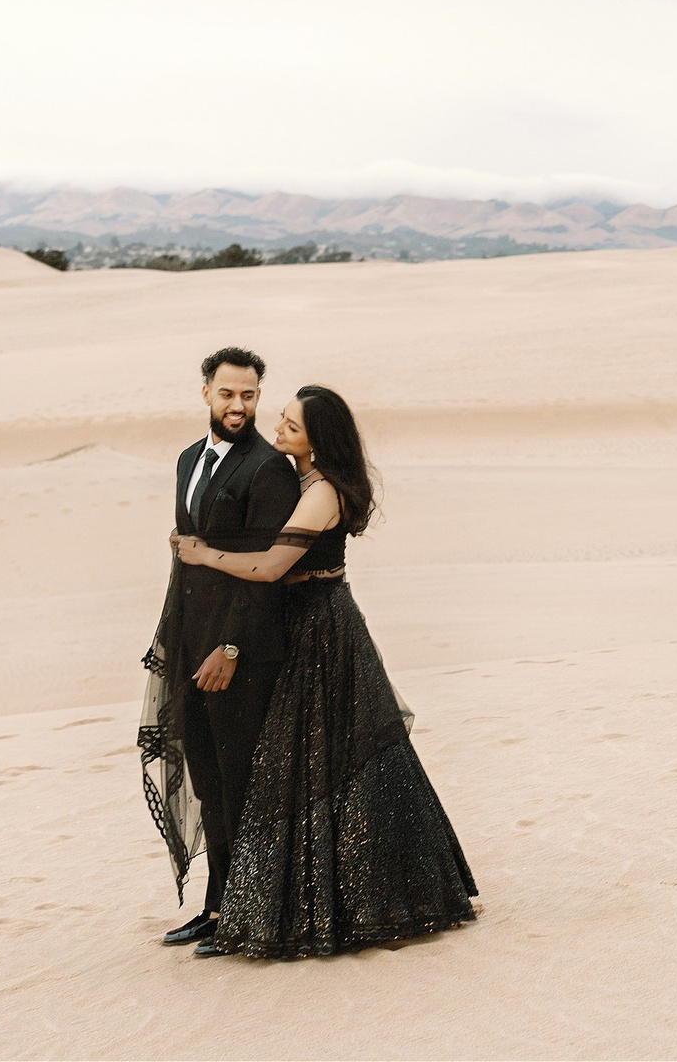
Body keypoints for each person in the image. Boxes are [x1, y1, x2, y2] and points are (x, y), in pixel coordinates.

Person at [173, 384, 477, 958]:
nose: (279, 428)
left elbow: (267, 566)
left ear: (317, 438)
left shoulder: (322, 494)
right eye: (282, 419)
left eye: (291, 424)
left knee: (335, 760)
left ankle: (359, 900)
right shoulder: (302, 482)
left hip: (322, 628)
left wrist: (202, 553)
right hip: (302, 622)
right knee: (314, 763)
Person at [140, 346, 302, 949]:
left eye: (250, 395)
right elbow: (189, 555)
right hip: (190, 642)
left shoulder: (267, 470)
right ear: (206, 392)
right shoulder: (188, 460)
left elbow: (268, 574)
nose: (239, 405)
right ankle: (216, 908)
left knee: (240, 780)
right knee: (208, 781)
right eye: (228, 393)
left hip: (240, 655)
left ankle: (248, 912)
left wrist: (231, 648)